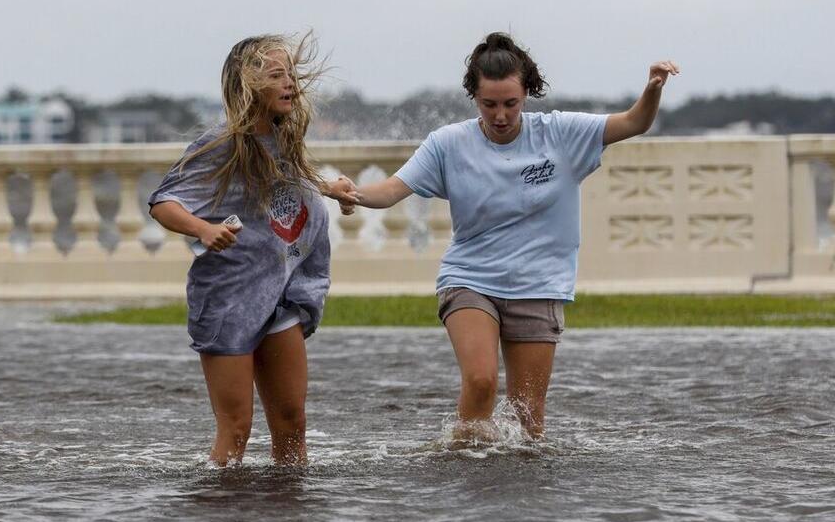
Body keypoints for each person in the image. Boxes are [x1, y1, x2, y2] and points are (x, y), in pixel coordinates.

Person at [348, 32, 678, 440]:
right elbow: (394, 189)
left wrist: (652, 90)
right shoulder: (448, 144)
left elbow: (634, 122)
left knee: (528, 417)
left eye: (510, 104)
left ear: (527, 94)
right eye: (489, 105)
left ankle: (520, 498)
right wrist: (355, 194)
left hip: (539, 284)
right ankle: (463, 465)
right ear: (474, 97)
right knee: (482, 380)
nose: (500, 115)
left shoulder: (560, 134)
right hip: (470, 279)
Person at [147, 33, 357, 466]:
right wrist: (202, 229)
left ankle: (288, 521)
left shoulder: (284, 140)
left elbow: (287, 180)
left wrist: (328, 188)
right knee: (237, 428)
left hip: (279, 297)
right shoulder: (220, 144)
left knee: (292, 423)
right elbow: (163, 202)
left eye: (291, 75)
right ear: (248, 85)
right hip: (228, 301)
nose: (290, 85)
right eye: (276, 75)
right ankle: (224, 521)